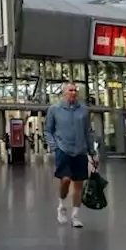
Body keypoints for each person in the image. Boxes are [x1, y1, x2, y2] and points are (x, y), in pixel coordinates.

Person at [44, 83, 98, 228]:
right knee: (66, 179)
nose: (73, 92)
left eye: (75, 90)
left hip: (80, 150)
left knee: (79, 184)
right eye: (70, 90)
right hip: (63, 149)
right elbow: (48, 130)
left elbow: (88, 132)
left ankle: (75, 216)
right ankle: (61, 205)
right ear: (63, 93)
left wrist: (92, 153)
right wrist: (54, 146)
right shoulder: (54, 110)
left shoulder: (84, 111)